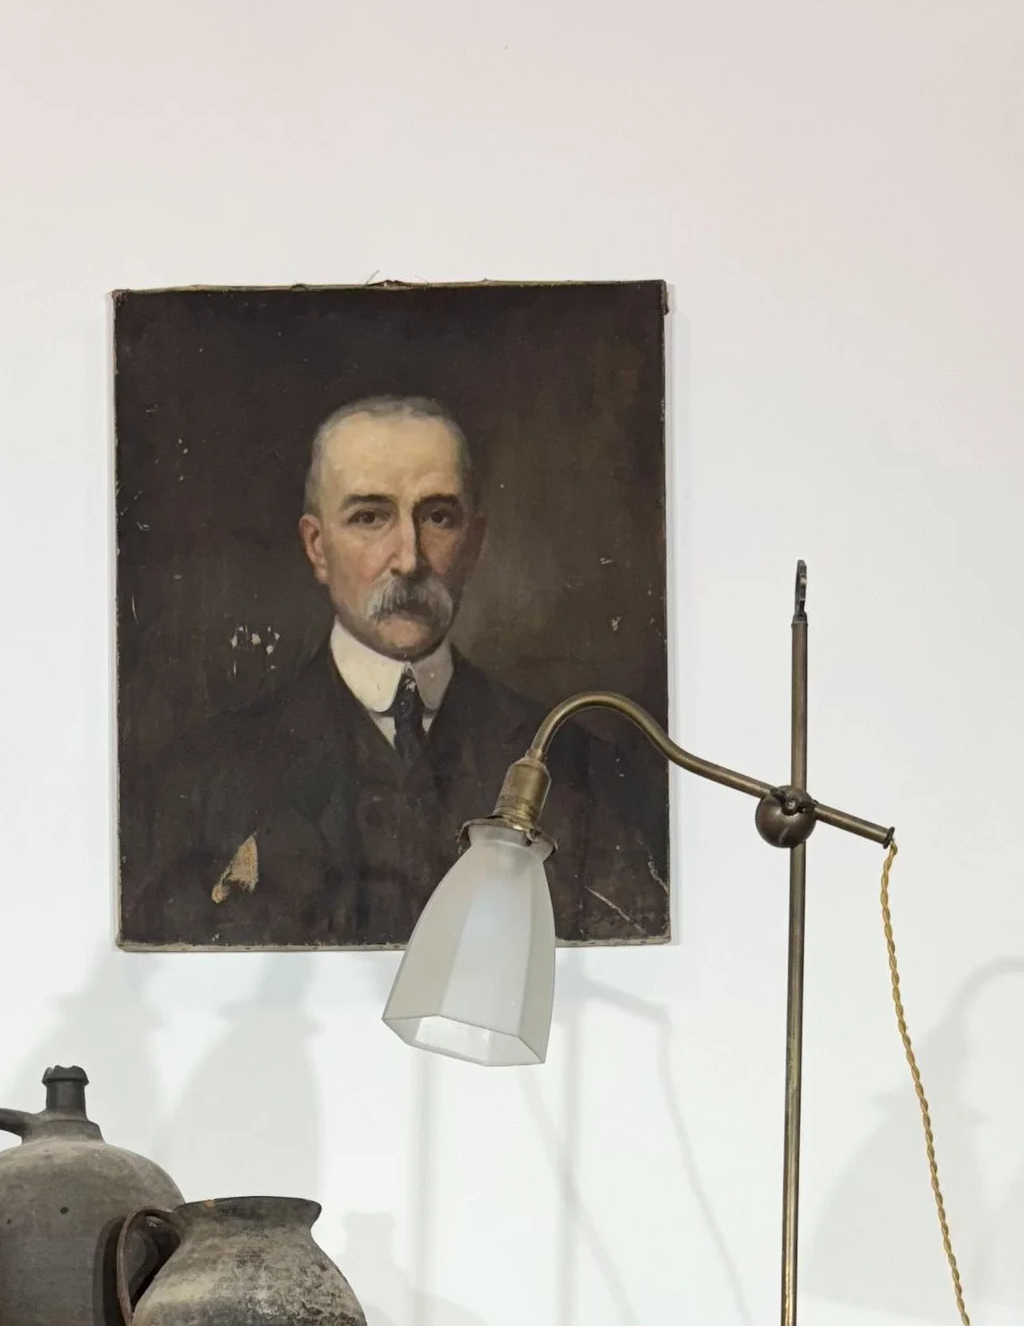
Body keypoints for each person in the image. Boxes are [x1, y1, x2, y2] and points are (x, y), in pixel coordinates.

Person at [124, 395, 667, 949]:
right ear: (317, 548)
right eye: (369, 517)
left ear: (474, 542)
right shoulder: (196, 784)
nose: (408, 559)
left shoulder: (584, 773)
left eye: (437, 517)